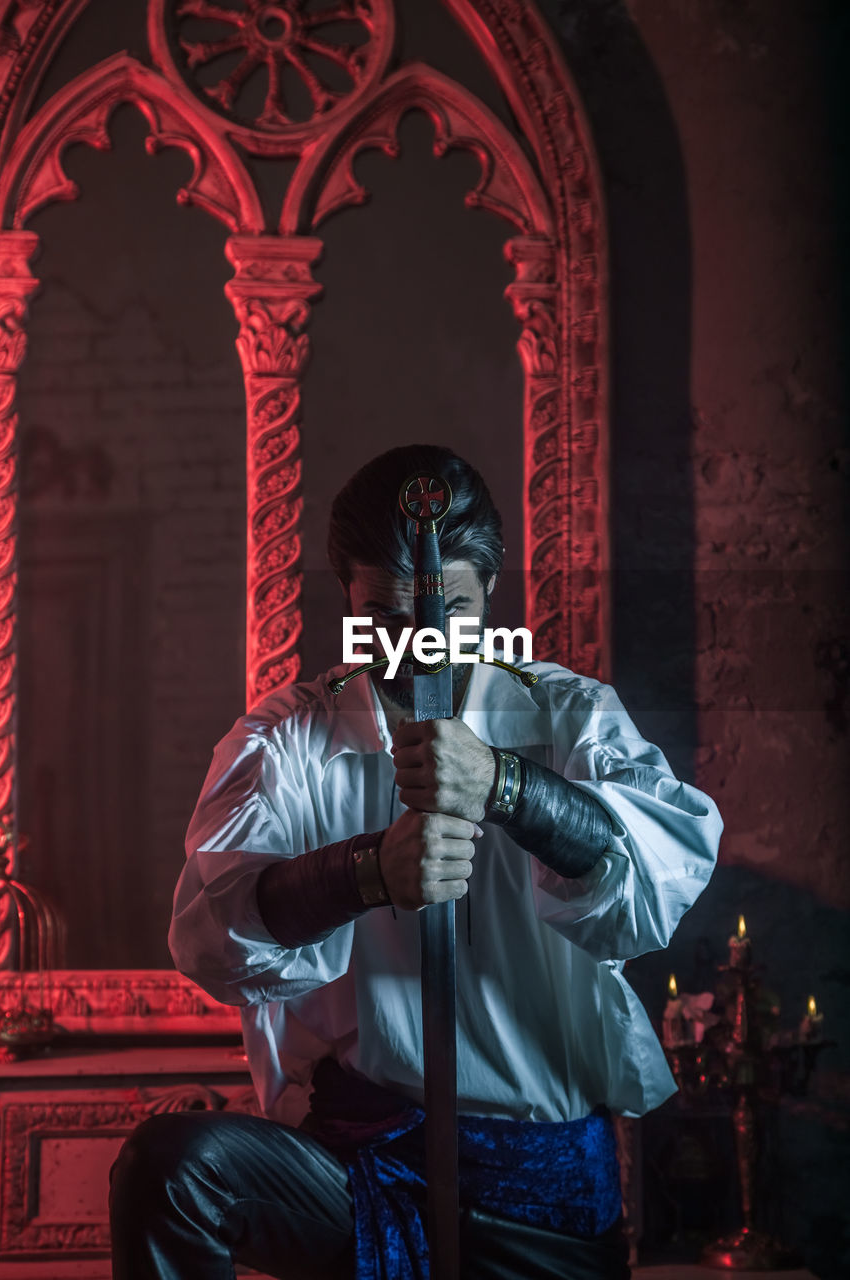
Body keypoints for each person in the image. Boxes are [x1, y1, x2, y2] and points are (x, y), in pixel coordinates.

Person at [109, 444, 723, 1280]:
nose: (422, 647)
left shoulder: (568, 715)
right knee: (173, 1169)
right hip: (359, 1160)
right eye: (388, 620)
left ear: (490, 594)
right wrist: (362, 872)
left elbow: (650, 882)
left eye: (453, 614)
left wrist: (508, 785)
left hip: (535, 1183)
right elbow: (210, 937)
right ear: (350, 602)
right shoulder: (289, 741)